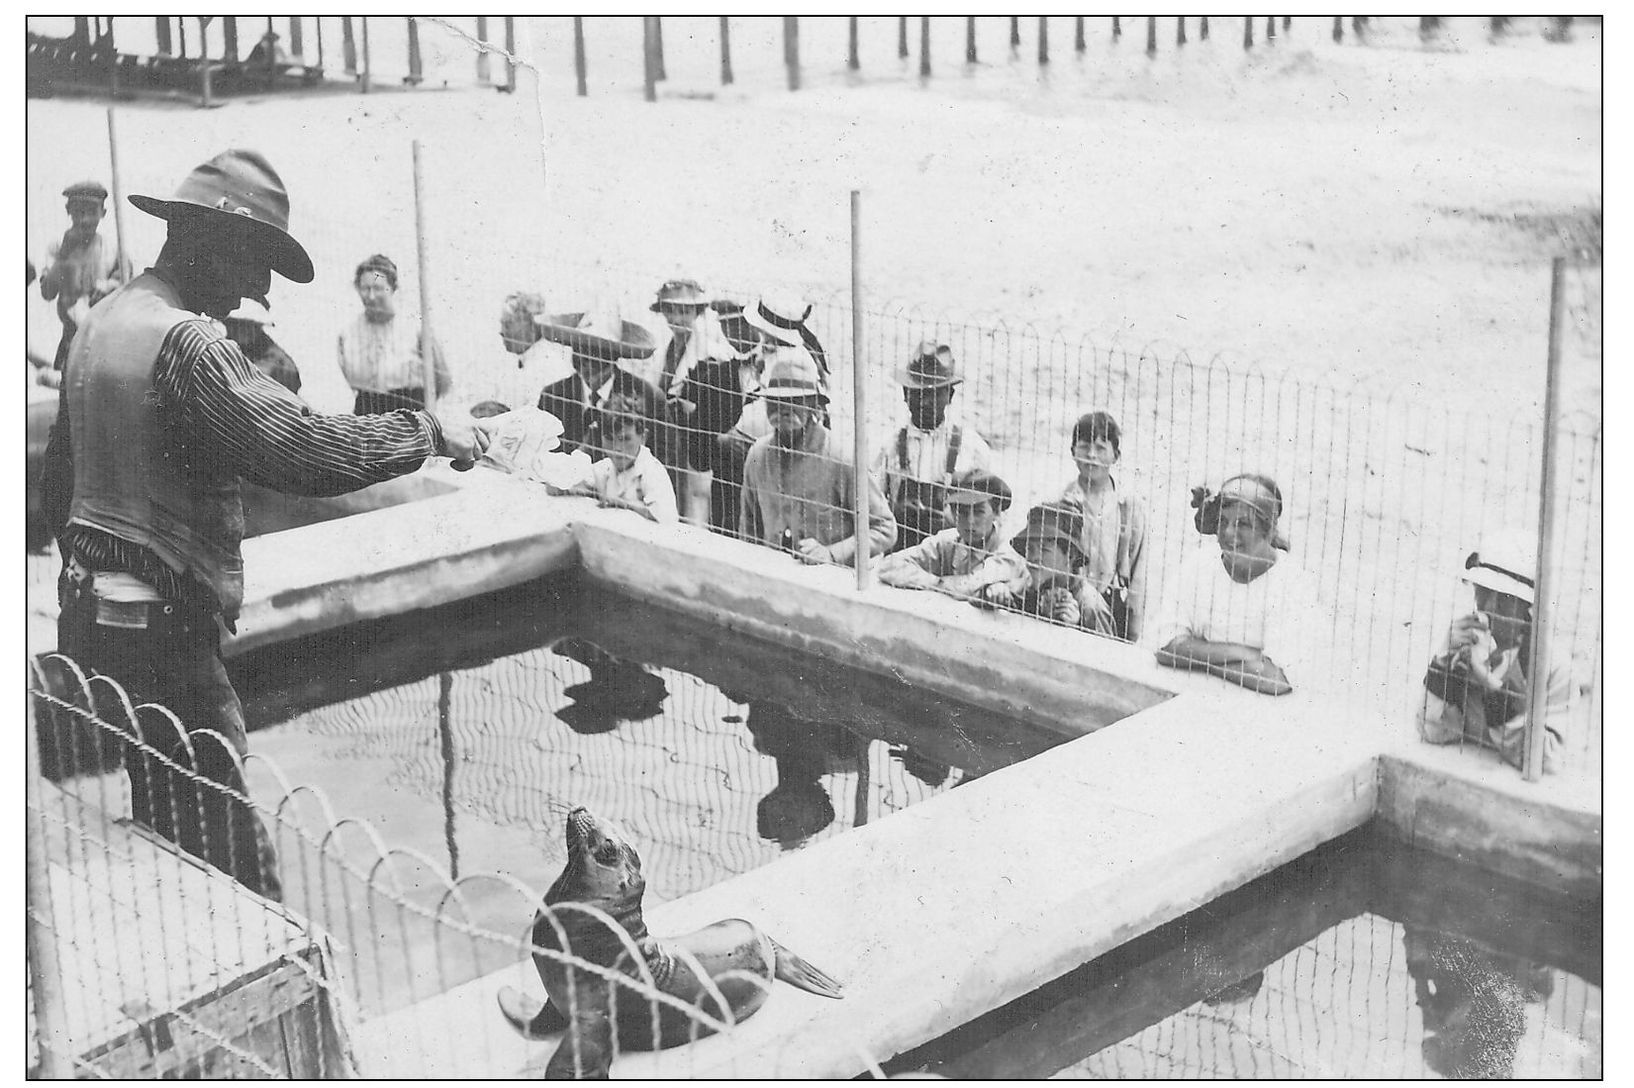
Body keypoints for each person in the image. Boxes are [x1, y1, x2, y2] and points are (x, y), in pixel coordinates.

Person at [39, 150, 490, 900]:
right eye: (255, 264)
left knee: (161, 815)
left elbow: (59, 486)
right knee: (232, 848)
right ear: (210, 243)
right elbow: (302, 450)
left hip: (91, 621)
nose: (258, 290)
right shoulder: (189, 342)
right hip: (164, 635)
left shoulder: (103, 321)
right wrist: (428, 432)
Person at [1419, 529, 1570, 774]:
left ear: (1528, 607)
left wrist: (1492, 689)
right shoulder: (1465, 646)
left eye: (1505, 598)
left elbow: (1543, 760)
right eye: (1484, 591)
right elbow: (1431, 729)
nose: (1489, 606)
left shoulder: (1553, 667)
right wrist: (1442, 660)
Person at [1152, 474, 1316, 695]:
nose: (1229, 533)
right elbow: (1164, 645)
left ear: (1268, 531)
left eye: (1243, 524)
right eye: (1223, 522)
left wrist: (1196, 655)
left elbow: (1275, 679)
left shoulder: (1293, 583)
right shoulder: (1199, 564)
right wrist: (1247, 655)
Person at [739, 346, 896, 565]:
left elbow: (885, 528)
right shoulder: (758, 455)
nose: (782, 410)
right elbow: (749, 531)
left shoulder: (841, 458)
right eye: (774, 401)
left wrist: (831, 553)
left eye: (794, 401)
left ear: (814, 405)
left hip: (830, 579)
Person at [873, 342, 995, 553]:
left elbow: (994, 513)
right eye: (917, 393)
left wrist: (953, 518)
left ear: (950, 395)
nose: (925, 402)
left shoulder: (972, 448)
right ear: (905, 394)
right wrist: (894, 511)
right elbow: (869, 506)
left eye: (934, 393)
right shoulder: (889, 446)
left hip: (954, 556)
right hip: (900, 553)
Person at [1053, 411, 1150, 641]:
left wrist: (1134, 631)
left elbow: (1139, 571)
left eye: (1100, 448)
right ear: (1072, 452)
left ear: (1115, 455)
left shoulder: (1128, 506)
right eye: (1084, 446)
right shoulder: (1062, 501)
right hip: (1069, 606)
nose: (1091, 455)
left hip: (1112, 606)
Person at [681, 299, 774, 535]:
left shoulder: (774, 369)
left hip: (768, 488)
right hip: (727, 492)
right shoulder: (716, 377)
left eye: (740, 324)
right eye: (727, 326)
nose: (734, 333)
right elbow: (698, 449)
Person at [877, 469, 1027, 607]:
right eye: (961, 512)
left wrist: (934, 582)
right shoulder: (948, 540)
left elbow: (971, 585)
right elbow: (888, 566)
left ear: (996, 512)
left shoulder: (1008, 549)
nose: (969, 520)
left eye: (979, 512)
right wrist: (937, 582)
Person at [337, 253, 452, 414]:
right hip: (366, 416)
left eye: (378, 288)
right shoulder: (348, 334)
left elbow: (443, 382)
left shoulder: (416, 329)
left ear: (393, 288)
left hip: (409, 415)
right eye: (365, 289)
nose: (371, 296)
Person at [38, 179, 124, 374]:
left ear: (103, 213)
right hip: (72, 339)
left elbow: (127, 284)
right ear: (69, 211)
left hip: (105, 338)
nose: (84, 220)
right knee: (69, 396)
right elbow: (47, 292)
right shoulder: (57, 247)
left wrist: (109, 286)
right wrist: (64, 257)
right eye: (79, 212)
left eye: (91, 212)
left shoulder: (112, 248)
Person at [559, 395, 679, 525]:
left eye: (625, 439)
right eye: (609, 438)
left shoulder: (652, 472)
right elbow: (573, 482)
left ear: (643, 437)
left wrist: (626, 506)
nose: (617, 448)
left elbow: (667, 519)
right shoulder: (604, 468)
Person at [1008, 502, 1112, 629]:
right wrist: (994, 592)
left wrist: (1076, 628)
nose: (1033, 557)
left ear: (1070, 555)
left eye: (1043, 549)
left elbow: (1105, 648)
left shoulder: (1090, 606)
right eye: (1029, 549)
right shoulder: (1025, 590)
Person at [221, 298, 301, 394]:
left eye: (234, 326)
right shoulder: (238, 350)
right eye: (228, 325)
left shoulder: (275, 362)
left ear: (253, 327)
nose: (230, 331)